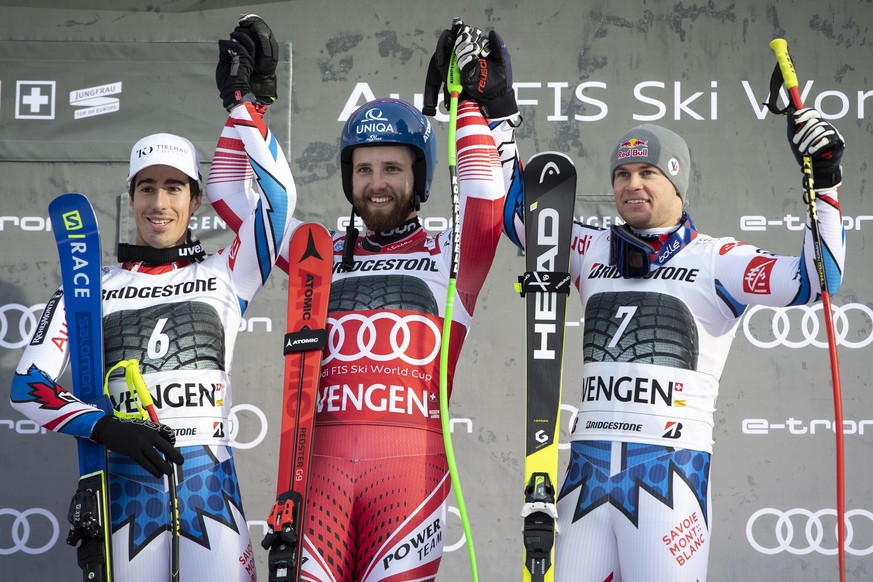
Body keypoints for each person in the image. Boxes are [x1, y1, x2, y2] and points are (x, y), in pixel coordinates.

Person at [206, 17, 516, 582]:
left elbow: (488, 199)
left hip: (411, 481)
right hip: (314, 475)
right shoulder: (312, 250)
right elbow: (230, 194)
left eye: (393, 169)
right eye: (364, 168)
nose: (377, 182)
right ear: (348, 178)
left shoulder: (453, 255)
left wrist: (470, 104)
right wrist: (244, 107)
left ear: (419, 178)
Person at [502, 103, 846, 578]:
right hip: (586, 475)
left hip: (669, 477)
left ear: (677, 183)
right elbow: (524, 218)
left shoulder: (718, 260)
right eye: (622, 174)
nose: (631, 184)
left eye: (648, 172)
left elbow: (816, 277)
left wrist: (823, 181)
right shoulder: (591, 247)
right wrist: (498, 119)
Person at [9, 15, 295, 581]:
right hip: (125, 490)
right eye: (147, 188)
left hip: (211, 489)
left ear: (194, 201)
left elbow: (278, 208)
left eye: (173, 188)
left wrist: (247, 110)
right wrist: (106, 427)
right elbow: (28, 388)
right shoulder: (88, 289)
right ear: (132, 198)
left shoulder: (228, 272)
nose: (158, 203)